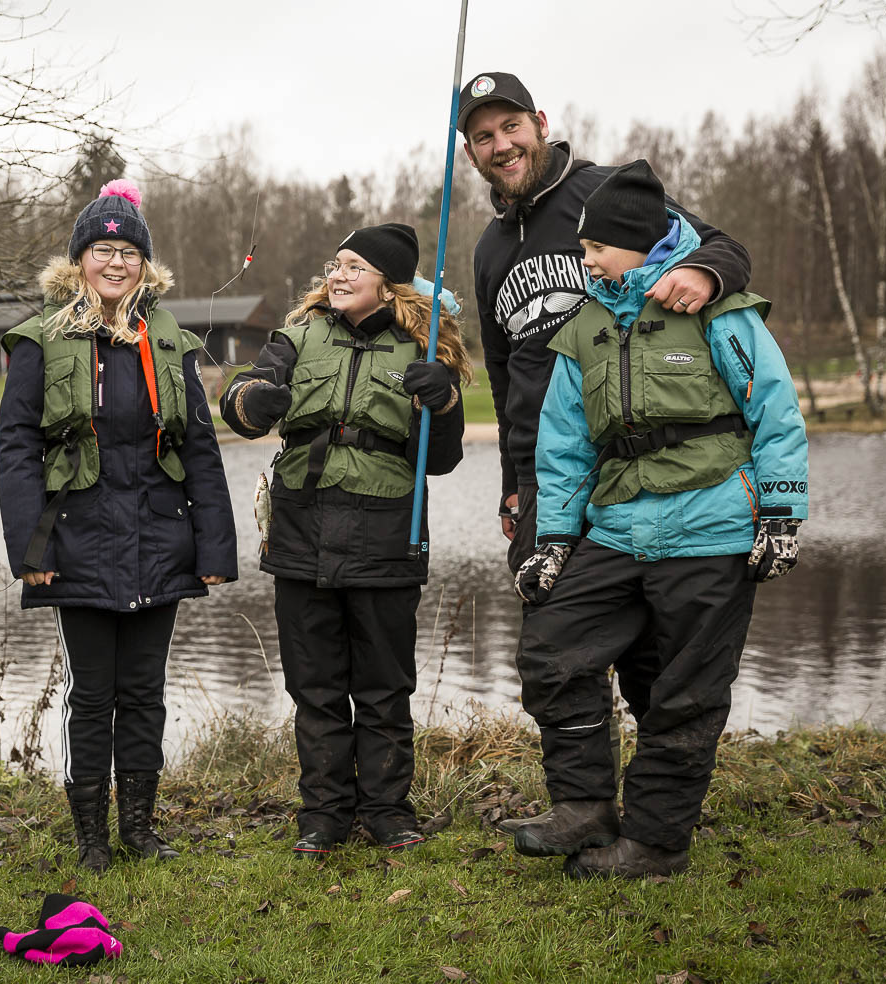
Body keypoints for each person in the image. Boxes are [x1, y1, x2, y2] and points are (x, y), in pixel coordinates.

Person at [508, 160, 809, 878]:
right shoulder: (584, 326)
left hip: (711, 528)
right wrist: (554, 539)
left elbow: (775, 411)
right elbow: (564, 443)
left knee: (684, 693)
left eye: (594, 250)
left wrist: (781, 512)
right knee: (552, 651)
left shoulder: (717, 309)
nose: (583, 262)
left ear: (639, 244)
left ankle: (655, 843)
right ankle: (583, 805)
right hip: (616, 528)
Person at [0, 180, 238, 873]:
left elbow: (198, 446)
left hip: (160, 541)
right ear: (79, 261)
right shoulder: (40, 340)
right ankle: (91, 838)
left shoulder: (168, 343)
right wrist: (29, 551)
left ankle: (138, 828)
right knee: (91, 695)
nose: (114, 262)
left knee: (145, 692)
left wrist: (213, 546)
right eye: (102, 249)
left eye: (127, 251)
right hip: (75, 543)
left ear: (144, 264)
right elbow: (17, 449)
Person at [219, 223, 471, 858]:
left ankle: (387, 809)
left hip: (386, 533)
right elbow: (240, 400)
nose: (338, 275)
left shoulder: (425, 345)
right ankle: (323, 812)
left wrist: (444, 403)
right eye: (335, 264)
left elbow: (439, 460)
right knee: (316, 685)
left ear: (388, 283)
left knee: (384, 686)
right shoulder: (298, 335)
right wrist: (253, 398)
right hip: (301, 531)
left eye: (354, 267)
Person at [458, 71, 753, 576]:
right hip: (546, 484)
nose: (502, 146)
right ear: (471, 154)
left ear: (541, 124)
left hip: (628, 463)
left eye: (512, 127)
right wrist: (513, 480)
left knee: (648, 649)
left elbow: (722, 247)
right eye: (484, 137)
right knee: (549, 645)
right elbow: (504, 377)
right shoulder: (489, 250)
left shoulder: (606, 192)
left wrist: (702, 272)